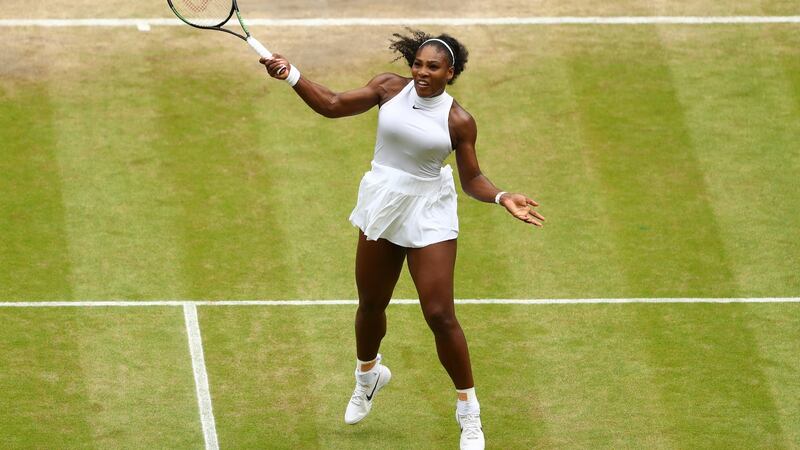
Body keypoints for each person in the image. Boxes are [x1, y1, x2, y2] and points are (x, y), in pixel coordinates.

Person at [260, 29, 544, 450]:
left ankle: (469, 413)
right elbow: (334, 106)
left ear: (451, 72)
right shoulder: (388, 88)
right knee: (371, 304)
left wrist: (503, 197)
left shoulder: (458, 120)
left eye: (433, 67)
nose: (422, 73)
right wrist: (291, 75)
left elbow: (472, 180)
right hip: (383, 201)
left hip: (429, 210)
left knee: (439, 313)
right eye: (418, 64)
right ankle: (368, 376)